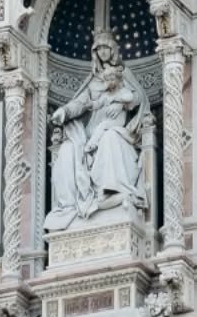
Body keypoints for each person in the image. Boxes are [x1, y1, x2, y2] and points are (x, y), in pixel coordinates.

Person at [46, 30, 149, 228]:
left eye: (105, 47)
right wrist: (64, 111)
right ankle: (69, 206)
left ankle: (111, 192)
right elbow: (82, 103)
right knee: (66, 149)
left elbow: (138, 97)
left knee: (109, 138)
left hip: (118, 131)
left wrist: (119, 101)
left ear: (113, 50)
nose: (102, 52)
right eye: (98, 48)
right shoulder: (93, 81)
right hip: (91, 132)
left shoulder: (123, 75)